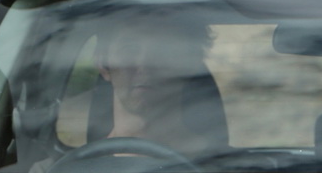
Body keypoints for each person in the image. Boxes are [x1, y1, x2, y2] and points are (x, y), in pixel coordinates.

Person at [90, 13, 229, 162]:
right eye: (129, 49)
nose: (143, 65)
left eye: (163, 51)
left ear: (191, 66)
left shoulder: (230, 172)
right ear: (103, 66)